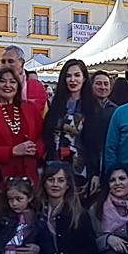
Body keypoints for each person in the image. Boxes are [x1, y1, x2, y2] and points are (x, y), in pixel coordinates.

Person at [42, 60, 104, 197]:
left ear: (84, 78)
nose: (73, 80)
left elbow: (96, 144)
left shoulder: (93, 108)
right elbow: (47, 134)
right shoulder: (56, 104)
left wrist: (95, 173)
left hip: (81, 169)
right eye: (68, 76)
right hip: (55, 167)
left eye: (77, 75)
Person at [0, 66, 45, 185]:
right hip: (1, 178)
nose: (8, 85)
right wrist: (12, 151)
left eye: (12, 82)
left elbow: (43, 137)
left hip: (30, 178)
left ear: (18, 86)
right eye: (2, 81)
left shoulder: (30, 108)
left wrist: (36, 149)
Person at [0, 46, 49, 111]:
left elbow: (45, 117)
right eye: (3, 62)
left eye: (10, 61)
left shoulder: (38, 88)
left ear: (22, 62)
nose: (6, 65)